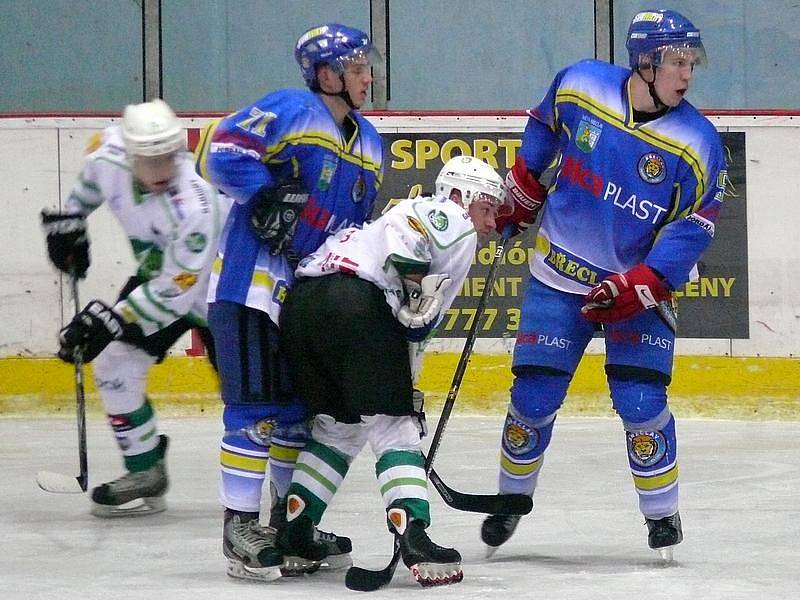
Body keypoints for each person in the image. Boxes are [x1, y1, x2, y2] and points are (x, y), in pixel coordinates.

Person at [480, 9, 727, 559]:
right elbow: (544, 126)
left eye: (691, 63)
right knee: (533, 395)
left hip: (632, 291)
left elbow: (695, 225)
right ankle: (510, 501)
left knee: (641, 401)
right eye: (677, 62)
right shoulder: (581, 83)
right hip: (558, 276)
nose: (687, 75)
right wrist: (525, 180)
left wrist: (644, 283)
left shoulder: (698, 141)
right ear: (646, 60)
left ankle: (662, 514)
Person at [193, 24, 384, 581]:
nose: (367, 76)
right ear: (326, 75)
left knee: (301, 416)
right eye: (356, 68)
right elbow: (220, 147)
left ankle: (288, 525)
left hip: (309, 296)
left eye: (366, 66)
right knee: (256, 412)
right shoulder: (292, 109)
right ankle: (240, 526)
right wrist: (265, 195)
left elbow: (358, 225)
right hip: (252, 287)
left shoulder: (371, 141)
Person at [276, 155, 508, 587]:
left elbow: (407, 320)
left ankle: (296, 529)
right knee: (395, 428)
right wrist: (417, 286)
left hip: (304, 309)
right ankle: (414, 534)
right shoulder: (447, 213)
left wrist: (406, 380)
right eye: (488, 207)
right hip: (355, 306)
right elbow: (410, 244)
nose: (491, 222)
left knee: (338, 427)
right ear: (460, 194)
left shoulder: (387, 222)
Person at [41, 98, 227, 517]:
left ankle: (289, 488)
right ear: (129, 154)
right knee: (113, 362)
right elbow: (91, 181)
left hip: (220, 288)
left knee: (247, 399)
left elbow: (177, 291)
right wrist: (70, 220)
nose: (161, 171)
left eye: (168, 158)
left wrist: (111, 319)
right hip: (161, 273)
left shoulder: (196, 203)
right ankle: (145, 470)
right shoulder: (108, 152)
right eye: (149, 160)